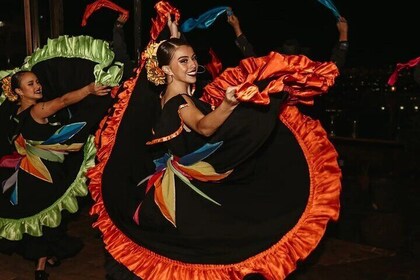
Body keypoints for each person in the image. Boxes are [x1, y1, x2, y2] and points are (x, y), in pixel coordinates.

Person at [88, 3, 342, 279]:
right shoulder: (180, 101)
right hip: (186, 187)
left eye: (193, 58)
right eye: (184, 61)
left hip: (177, 177)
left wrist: (173, 32)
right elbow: (205, 127)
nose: (194, 64)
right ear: (167, 69)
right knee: (211, 247)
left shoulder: (165, 94)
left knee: (181, 254)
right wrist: (228, 104)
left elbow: (177, 73)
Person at [0, 34, 121, 280]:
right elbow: (64, 100)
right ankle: (41, 267)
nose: (38, 86)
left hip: (25, 175)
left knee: (39, 216)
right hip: (42, 175)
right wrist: (89, 89)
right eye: (31, 84)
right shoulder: (37, 109)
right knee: (46, 216)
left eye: (37, 82)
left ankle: (45, 259)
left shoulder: (13, 113)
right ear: (19, 92)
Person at [227, 11, 349, 70]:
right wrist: (343, 33)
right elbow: (335, 66)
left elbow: (250, 56)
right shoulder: (306, 75)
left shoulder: (272, 74)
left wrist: (236, 27)